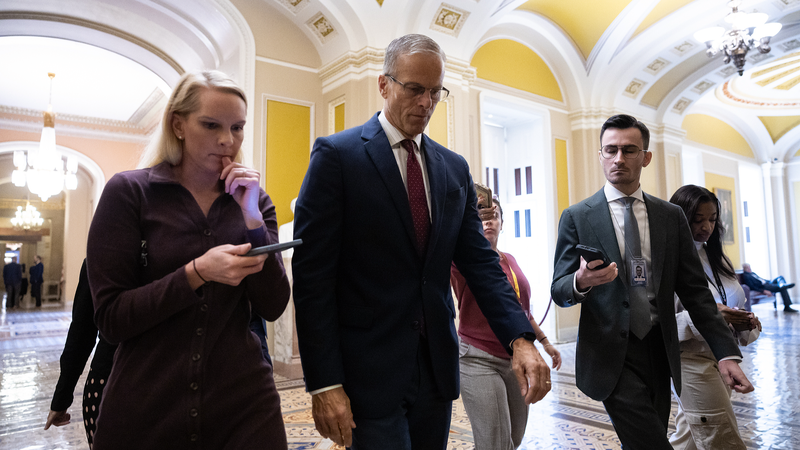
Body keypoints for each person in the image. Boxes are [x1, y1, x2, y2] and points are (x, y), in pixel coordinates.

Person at [292, 34, 550, 449]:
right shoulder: (338, 157)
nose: (426, 103)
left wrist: (520, 339)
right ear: (384, 85)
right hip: (367, 370)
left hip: (435, 370)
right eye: (414, 89)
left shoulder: (452, 168)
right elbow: (313, 280)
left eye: (435, 92)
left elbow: (480, 263)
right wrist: (324, 383)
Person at [86, 70, 291, 449]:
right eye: (211, 125)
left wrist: (252, 220)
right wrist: (195, 273)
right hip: (148, 403)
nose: (227, 140)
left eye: (237, 127)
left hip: (245, 405)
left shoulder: (256, 202)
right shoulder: (130, 193)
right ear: (178, 125)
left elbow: (273, 304)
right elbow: (111, 319)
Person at [551, 114, 753, 449]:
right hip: (609, 353)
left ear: (645, 157)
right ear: (600, 155)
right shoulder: (577, 217)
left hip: (661, 348)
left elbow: (695, 292)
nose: (618, 158)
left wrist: (725, 353)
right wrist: (581, 280)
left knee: (651, 435)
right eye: (610, 150)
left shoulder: (669, 217)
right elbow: (559, 290)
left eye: (629, 150)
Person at [450, 195, 561, 450]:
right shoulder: (462, 259)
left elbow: (520, 310)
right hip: (477, 356)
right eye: (482, 217)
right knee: (495, 444)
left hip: (514, 358)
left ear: (502, 223)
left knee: (514, 439)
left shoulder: (510, 260)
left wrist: (544, 343)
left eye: (494, 216)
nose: (489, 222)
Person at [667, 185, 761, 449]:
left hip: (722, 356)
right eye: (698, 220)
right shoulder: (669, 260)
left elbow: (734, 303)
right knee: (722, 438)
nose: (706, 226)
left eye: (712, 219)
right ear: (681, 218)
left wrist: (745, 322)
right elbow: (660, 325)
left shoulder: (715, 256)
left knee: (689, 439)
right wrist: (714, 316)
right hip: (691, 361)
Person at [45, 260, 117, 446]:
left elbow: (81, 333)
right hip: (169, 383)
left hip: (107, 382)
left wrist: (61, 399)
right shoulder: (181, 250)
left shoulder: (101, 254)